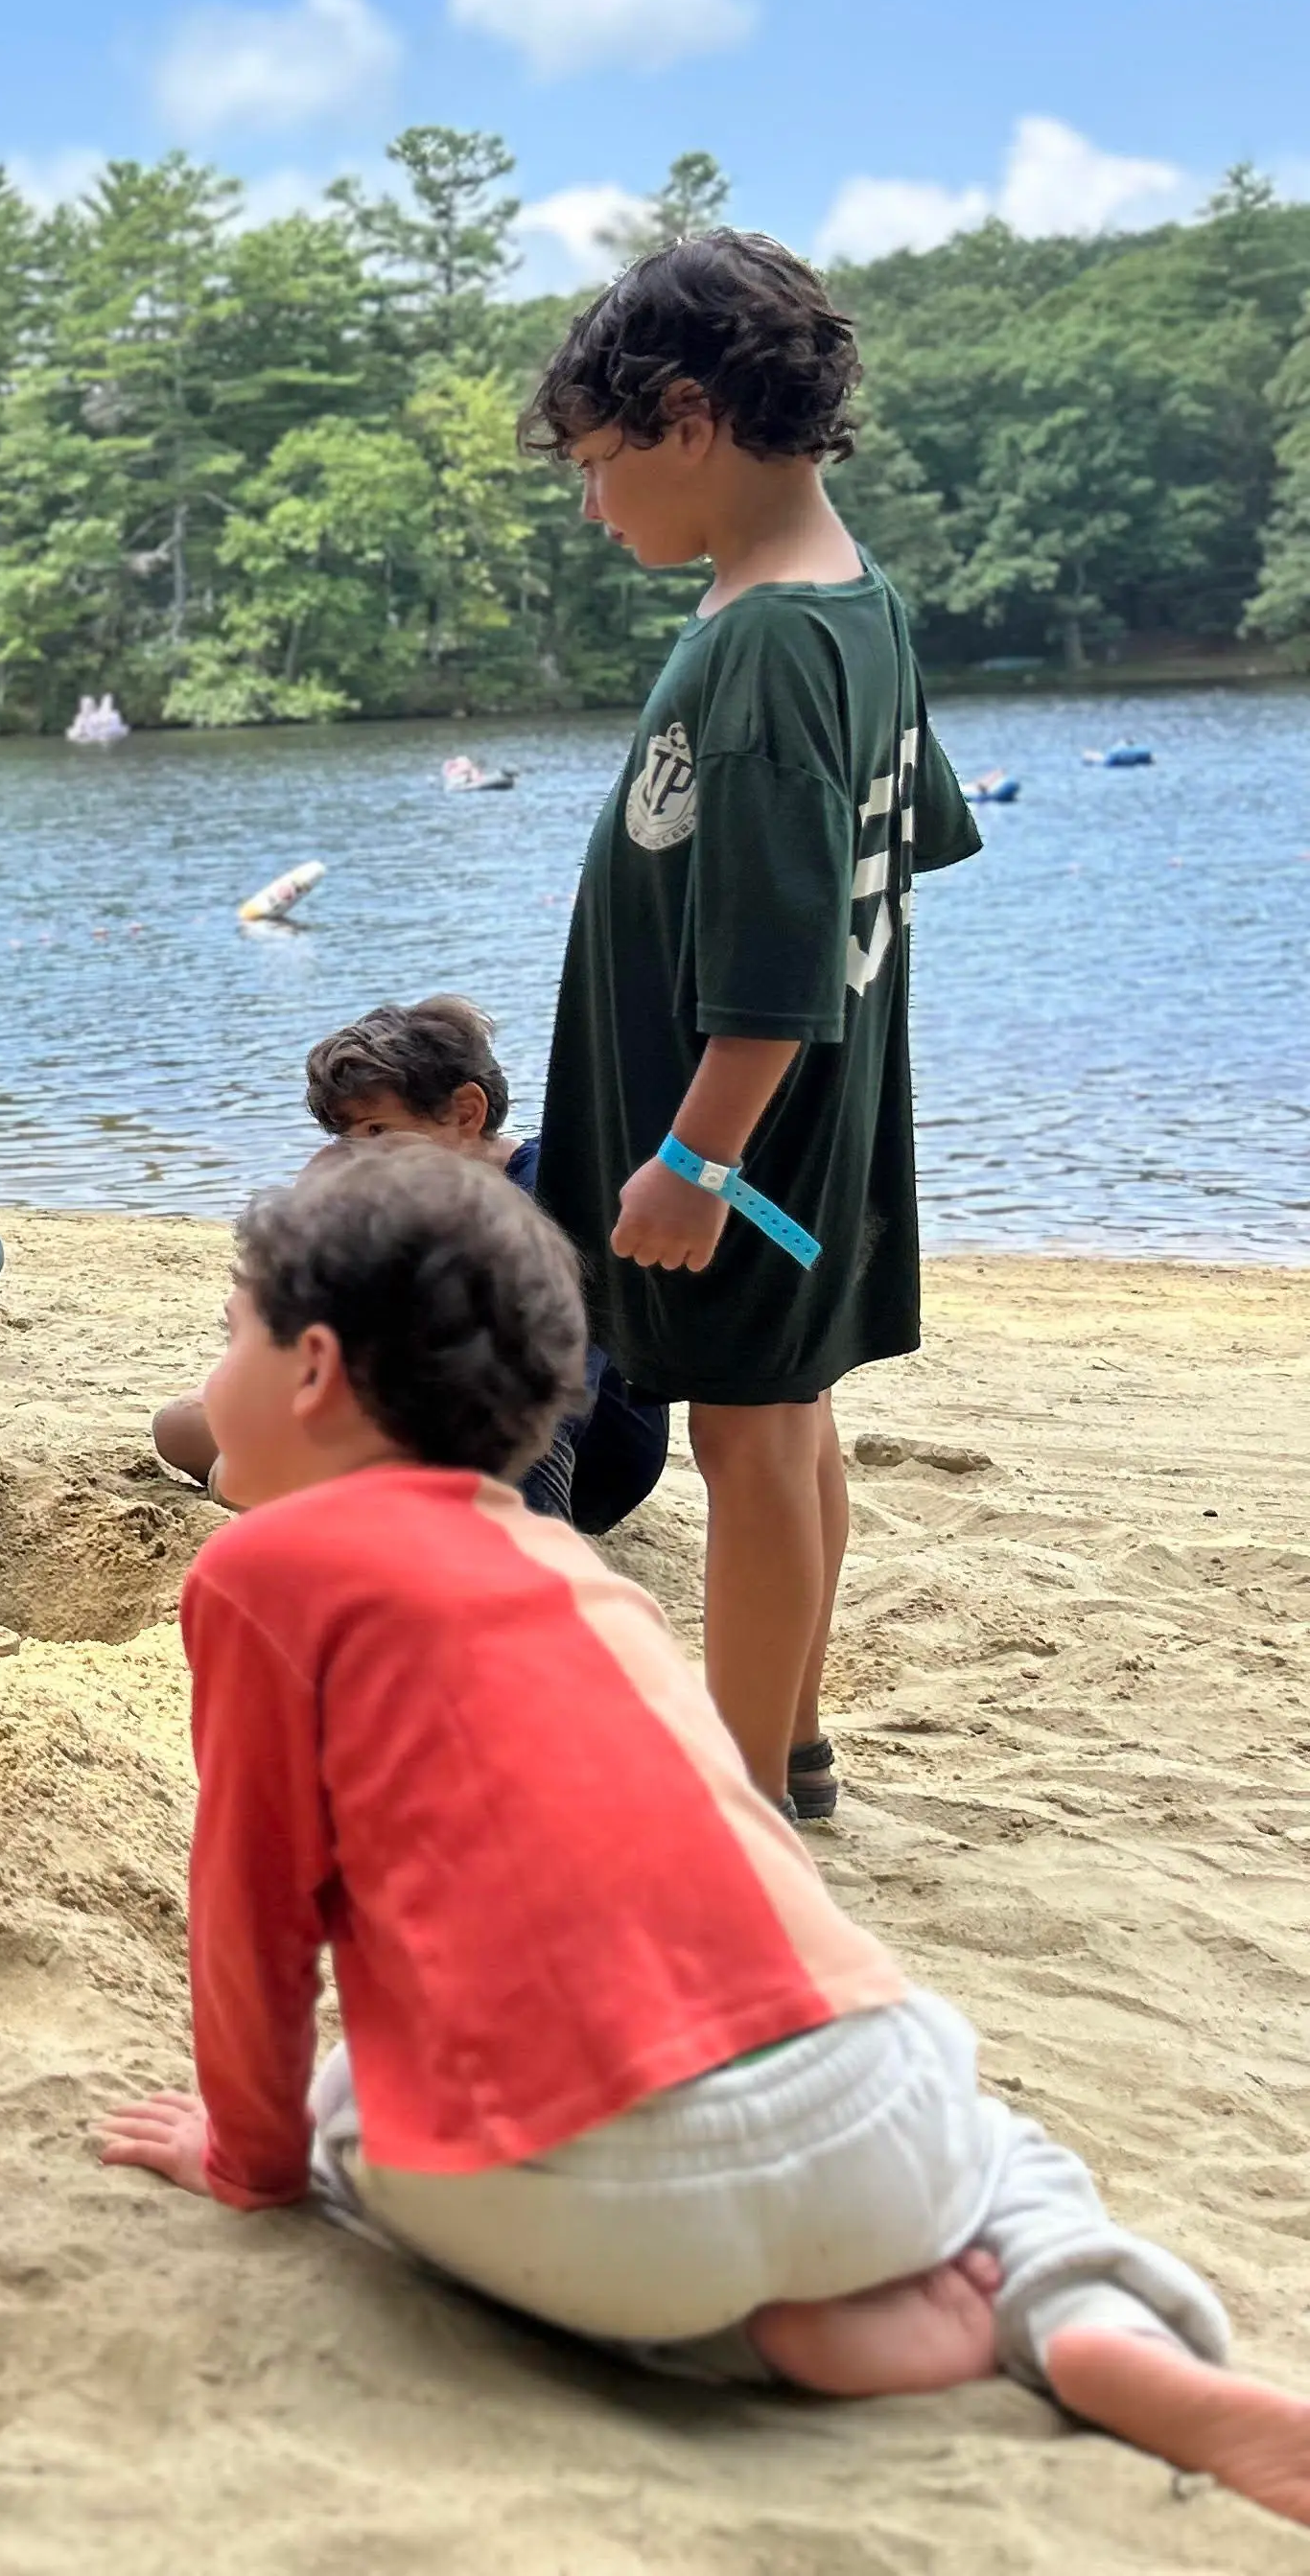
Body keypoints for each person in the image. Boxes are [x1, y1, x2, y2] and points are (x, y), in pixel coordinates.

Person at [94, 1146, 1309, 2528]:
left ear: (311, 1370)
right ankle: (1090, 2323)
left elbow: (253, 1916)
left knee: (345, 2113)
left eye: (226, 1333)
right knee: (995, 2138)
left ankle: (752, 2341)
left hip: (615, 2210)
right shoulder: (583, 1579)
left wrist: (246, 2163)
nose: (210, 1374)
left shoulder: (259, 1573)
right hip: (873, 2118)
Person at [526, 233, 983, 1822]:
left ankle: (736, 1791)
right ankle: (785, 1735)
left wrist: (693, 1155)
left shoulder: (771, 641)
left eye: (598, 464)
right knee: (782, 1425)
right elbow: (897, 836)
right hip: (811, 1125)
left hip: (747, 1142)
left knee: (748, 1438)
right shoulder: (846, 601)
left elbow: (784, 945)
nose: (593, 505)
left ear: (686, 416)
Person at [151, 996, 665, 1536]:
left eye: (377, 1131)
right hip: (428, 1422)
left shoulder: (554, 1194)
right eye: (347, 1138)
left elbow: (559, 1383)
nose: (362, 1155)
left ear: (467, 1112)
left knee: (240, 1451)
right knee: (180, 1426)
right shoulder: (400, 1201)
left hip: (576, 1454)